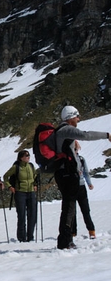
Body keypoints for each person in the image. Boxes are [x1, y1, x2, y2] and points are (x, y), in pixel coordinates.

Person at [54, 105, 111, 249]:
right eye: (77, 116)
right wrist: (107, 135)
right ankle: (65, 242)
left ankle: (66, 240)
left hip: (63, 174)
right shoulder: (66, 129)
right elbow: (86, 135)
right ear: (70, 117)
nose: (78, 119)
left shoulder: (61, 131)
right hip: (68, 175)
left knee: (69, 207)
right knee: (69, 208)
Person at [3, 150, 37, 242]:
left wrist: (35, 185)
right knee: (21, 215)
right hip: (20, 193)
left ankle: (30, 237)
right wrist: (10, 186)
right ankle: (22, 237)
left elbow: (35, 176)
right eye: (26, 156)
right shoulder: (16, 167)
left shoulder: (31, 166)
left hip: (31, 192)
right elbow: (5, 176)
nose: (28, 157)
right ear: (21, 158)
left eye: (29, 155)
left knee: (32, 215)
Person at [71, 140, 96, 239]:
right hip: (71, 187)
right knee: (72, 211)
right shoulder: (68, 159)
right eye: (74, 148)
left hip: (81, 186)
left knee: (85, 210)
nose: (75, 150)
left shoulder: (81, 159)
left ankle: (91, 230)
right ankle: (73, 232)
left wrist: (89, 183)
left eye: (76, 148)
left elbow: (86, 172)